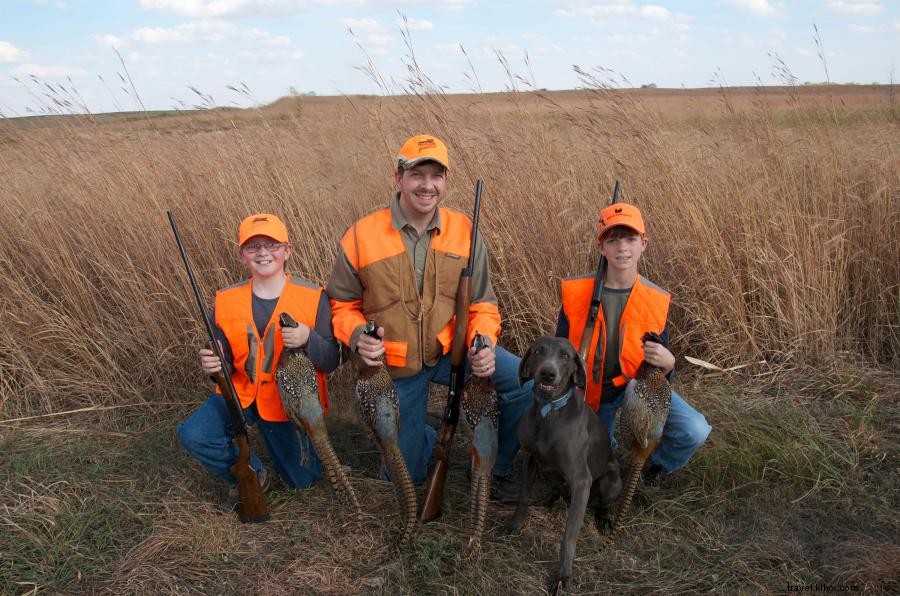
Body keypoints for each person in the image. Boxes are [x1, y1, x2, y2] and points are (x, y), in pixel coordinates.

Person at [326, 134, 531, 495]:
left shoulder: (465, 231)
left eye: (437, 176)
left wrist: (483, 342)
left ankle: (492, 465)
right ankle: (423, 431)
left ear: (445, 181)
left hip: (453, 349)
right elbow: (341, 305)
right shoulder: (361, 236)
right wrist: (357, 336)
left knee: (525, 383)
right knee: (405, 478)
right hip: (398, 364)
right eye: (417, 175)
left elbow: (483, 302)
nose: (427, 185)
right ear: (398, 178)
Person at [178, 213, 340, 510]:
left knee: (302, 480)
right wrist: (214, 367)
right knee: (194, 435)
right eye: (253, 247)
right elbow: (225, 360)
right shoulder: (225, 300)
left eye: (272, 245)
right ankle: (252, 472)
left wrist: (308, 338)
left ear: (287, 251)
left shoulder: (314, 297)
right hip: (240, 393)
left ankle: (287, 445)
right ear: (242, 256)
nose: (263, 252)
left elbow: (330, 360)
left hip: (288, 402)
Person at [556, 202, 711, 485]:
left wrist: (669, 365)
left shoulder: (656, 299)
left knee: (694, 429)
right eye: (612, 240)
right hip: (593, 393)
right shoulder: (576, 294)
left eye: (630, 239)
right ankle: (608, 454)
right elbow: (559, 354)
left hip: (638, 389)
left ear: (643, 244)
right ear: (601, 247)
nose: (622, 248)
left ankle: (652, 468)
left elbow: (660, 372)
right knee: (596, 467)